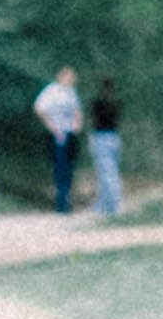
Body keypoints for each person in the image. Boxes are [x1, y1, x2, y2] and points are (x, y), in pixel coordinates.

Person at [32, 63, 82, 214]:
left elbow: (77, 110)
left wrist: (78, 124)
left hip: (70, 133)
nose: (71, 80)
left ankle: (67, 199)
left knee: (69, 167)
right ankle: (61, 203)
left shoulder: (71, 92)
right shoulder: (52, 91)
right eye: (69, 77)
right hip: (58, 133)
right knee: (61, 167)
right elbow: (39, 108)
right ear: (61, 77)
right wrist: (51, 125)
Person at [88, 76, 124, 220]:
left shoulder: (97, 103)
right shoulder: (118, 102)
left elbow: (94, 120)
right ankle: (105, 204)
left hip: (100, 137)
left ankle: (112, 204)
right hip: (114, 137)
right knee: (112, 171)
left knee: (105, 173)